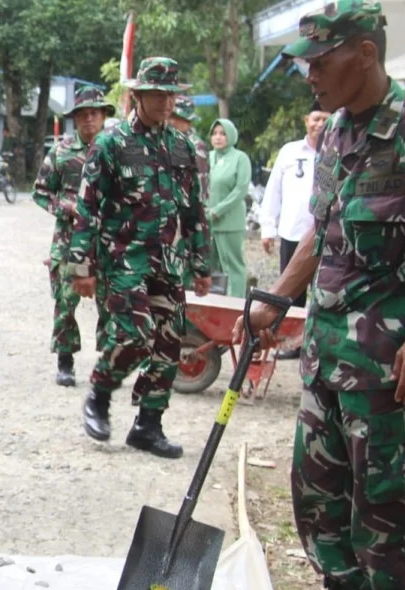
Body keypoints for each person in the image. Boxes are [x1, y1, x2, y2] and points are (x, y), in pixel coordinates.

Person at [238, 3, 405, 590]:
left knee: (389, 496)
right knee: (319, 485)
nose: (308, 75)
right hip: (328, 348)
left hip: (391, 357)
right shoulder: (333, 137)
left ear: (364, 52)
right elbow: (323, 234)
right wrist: (277, 300)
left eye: (318, 61)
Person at [68, 57, 211, 459]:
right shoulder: (111, 144)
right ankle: (99, 392)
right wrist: (82, 267)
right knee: (135, 335)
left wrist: (201, 263)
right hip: (124, 259)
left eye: (171, 95)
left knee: (168, 343)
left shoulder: (181, 145)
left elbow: (193, 210)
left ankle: (148, 425)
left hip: (168, 261)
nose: (167, 103)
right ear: (137, 96)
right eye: (158, 95)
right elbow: (87, 208)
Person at [33, 84, 114, 387]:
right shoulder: (62, 151)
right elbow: (40, 192)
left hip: (107, 243)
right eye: (82, 115)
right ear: (75, 119)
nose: (89, 120)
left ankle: (107, 364)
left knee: (110, 304)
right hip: (70, 243)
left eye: (94, 113)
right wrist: (68, 208)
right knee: (66, 303)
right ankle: (65, 361)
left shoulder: (116, 148)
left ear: (104, 115)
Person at [259, 101, 330, 310]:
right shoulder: (289, 152)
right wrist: (267, 228)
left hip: (326, 237)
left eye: (326, 120)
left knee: (324, 294)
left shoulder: (338, 151)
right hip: (292, 233)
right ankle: (289, 340)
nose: (320, 124)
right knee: (290, 294)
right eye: (316, 119)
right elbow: (273, 191)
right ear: (306, 121)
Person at [206, 118, 252, 298]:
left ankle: (236, 305)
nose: (218, 137)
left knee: (232, 265)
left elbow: (240, 190)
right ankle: (213, 303)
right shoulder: (207, 157)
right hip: (207, 221)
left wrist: (218, 210)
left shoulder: (240, 158)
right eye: (215, 133)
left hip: (229, 221)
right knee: (209, 266)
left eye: (223, 133)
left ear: (231, 136)